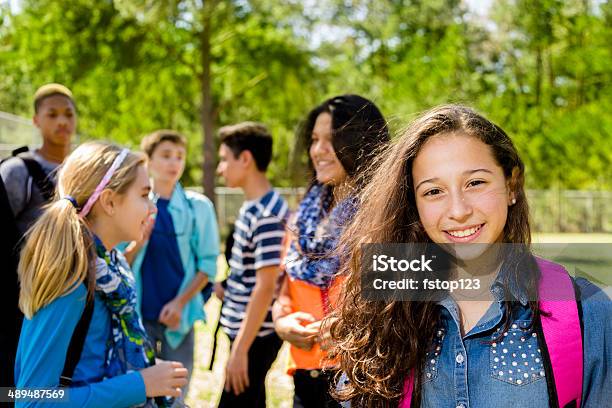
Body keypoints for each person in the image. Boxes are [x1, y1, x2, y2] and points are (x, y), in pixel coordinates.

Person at [330, 105, 611, 407]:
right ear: (414, 205)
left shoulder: (586, 312)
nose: (459, 211)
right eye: (433, 191)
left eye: (475, 183)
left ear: (512, 185)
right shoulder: (382, 308)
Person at [15, 142, 188, 407]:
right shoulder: (73, 280)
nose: (153, 208)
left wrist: (143, 366)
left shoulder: (111, 265)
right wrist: (140, 384)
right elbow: (31, 400)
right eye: (144, 195)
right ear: (109, 201)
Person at [271, 94, 390, 408]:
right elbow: (285, 289)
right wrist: (281, 322)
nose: (317, 151)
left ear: (361, 143)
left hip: (362, 377)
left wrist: (349, 324)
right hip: (307, 377)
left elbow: (405, 300)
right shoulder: (303, 218)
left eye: (331, 140)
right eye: (314, 140)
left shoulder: (389, 218)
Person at [123, 130, 220, 401]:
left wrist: (180, 303)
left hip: (180, 318)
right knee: (138, 396)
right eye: (165, 155)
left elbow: (208, 267)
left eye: (179, 156)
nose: (173, 163)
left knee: (176, 396)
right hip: (138, 317)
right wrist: (138, 244)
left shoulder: (198, 207)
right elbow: (118, 263)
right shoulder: (131, 205)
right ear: (148, 161)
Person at [0, 83, 77, 389]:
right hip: (22, 303)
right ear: (36, 120)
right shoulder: (19, 172)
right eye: (52, 114)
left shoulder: (83, 172)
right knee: (15, 389)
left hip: (70, 301)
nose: (62, 122)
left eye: (68, 114)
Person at [215, 122, 289, 408]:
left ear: (245, 159)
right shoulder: (252, 206)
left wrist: (240, 350)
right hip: (245, 333)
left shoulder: (268, 214)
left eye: (224, 159)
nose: (221, 168)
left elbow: (266, 285)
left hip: (255, 338)